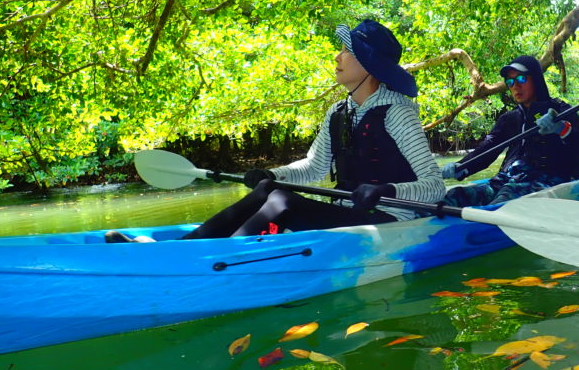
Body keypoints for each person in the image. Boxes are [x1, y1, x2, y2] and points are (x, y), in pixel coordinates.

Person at [106, 20, 445, 242]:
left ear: (370, 66)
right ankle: (188, 247)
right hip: (351, 214)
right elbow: (313, 167)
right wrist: (270, 172)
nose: (338, 56)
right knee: (270, 191)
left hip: (393, 222)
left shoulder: (398, 113)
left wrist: (387, 189)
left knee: (283, 200)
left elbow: (434, 187)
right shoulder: (338, 111)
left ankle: (216, 259)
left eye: (348, 51)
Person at [439, 55, 579, 207]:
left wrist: (562, 129)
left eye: (521, 79)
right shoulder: (509, 119)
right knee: (454, 197)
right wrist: (460, 166)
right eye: (510, 82)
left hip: (550, 183)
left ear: (536, 80)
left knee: (506, 196)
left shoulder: (560, 111)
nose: (515, 86)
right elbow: (487, 149)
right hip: (509, 180)